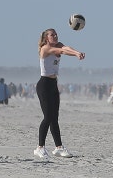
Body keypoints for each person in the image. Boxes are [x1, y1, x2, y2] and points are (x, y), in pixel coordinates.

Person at [33, 28, 85, 160]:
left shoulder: (59, 44)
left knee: (54, 117)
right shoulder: (45, 48)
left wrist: (77, 52)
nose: (55, 36)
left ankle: (58, 147)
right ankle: (39, 148)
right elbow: (62, 51)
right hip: (43, 85)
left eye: (56, 34)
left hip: (53, 84)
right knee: (48, 117)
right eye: (52, 35)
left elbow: (66, 47)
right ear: (46, 38)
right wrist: (76, 54)